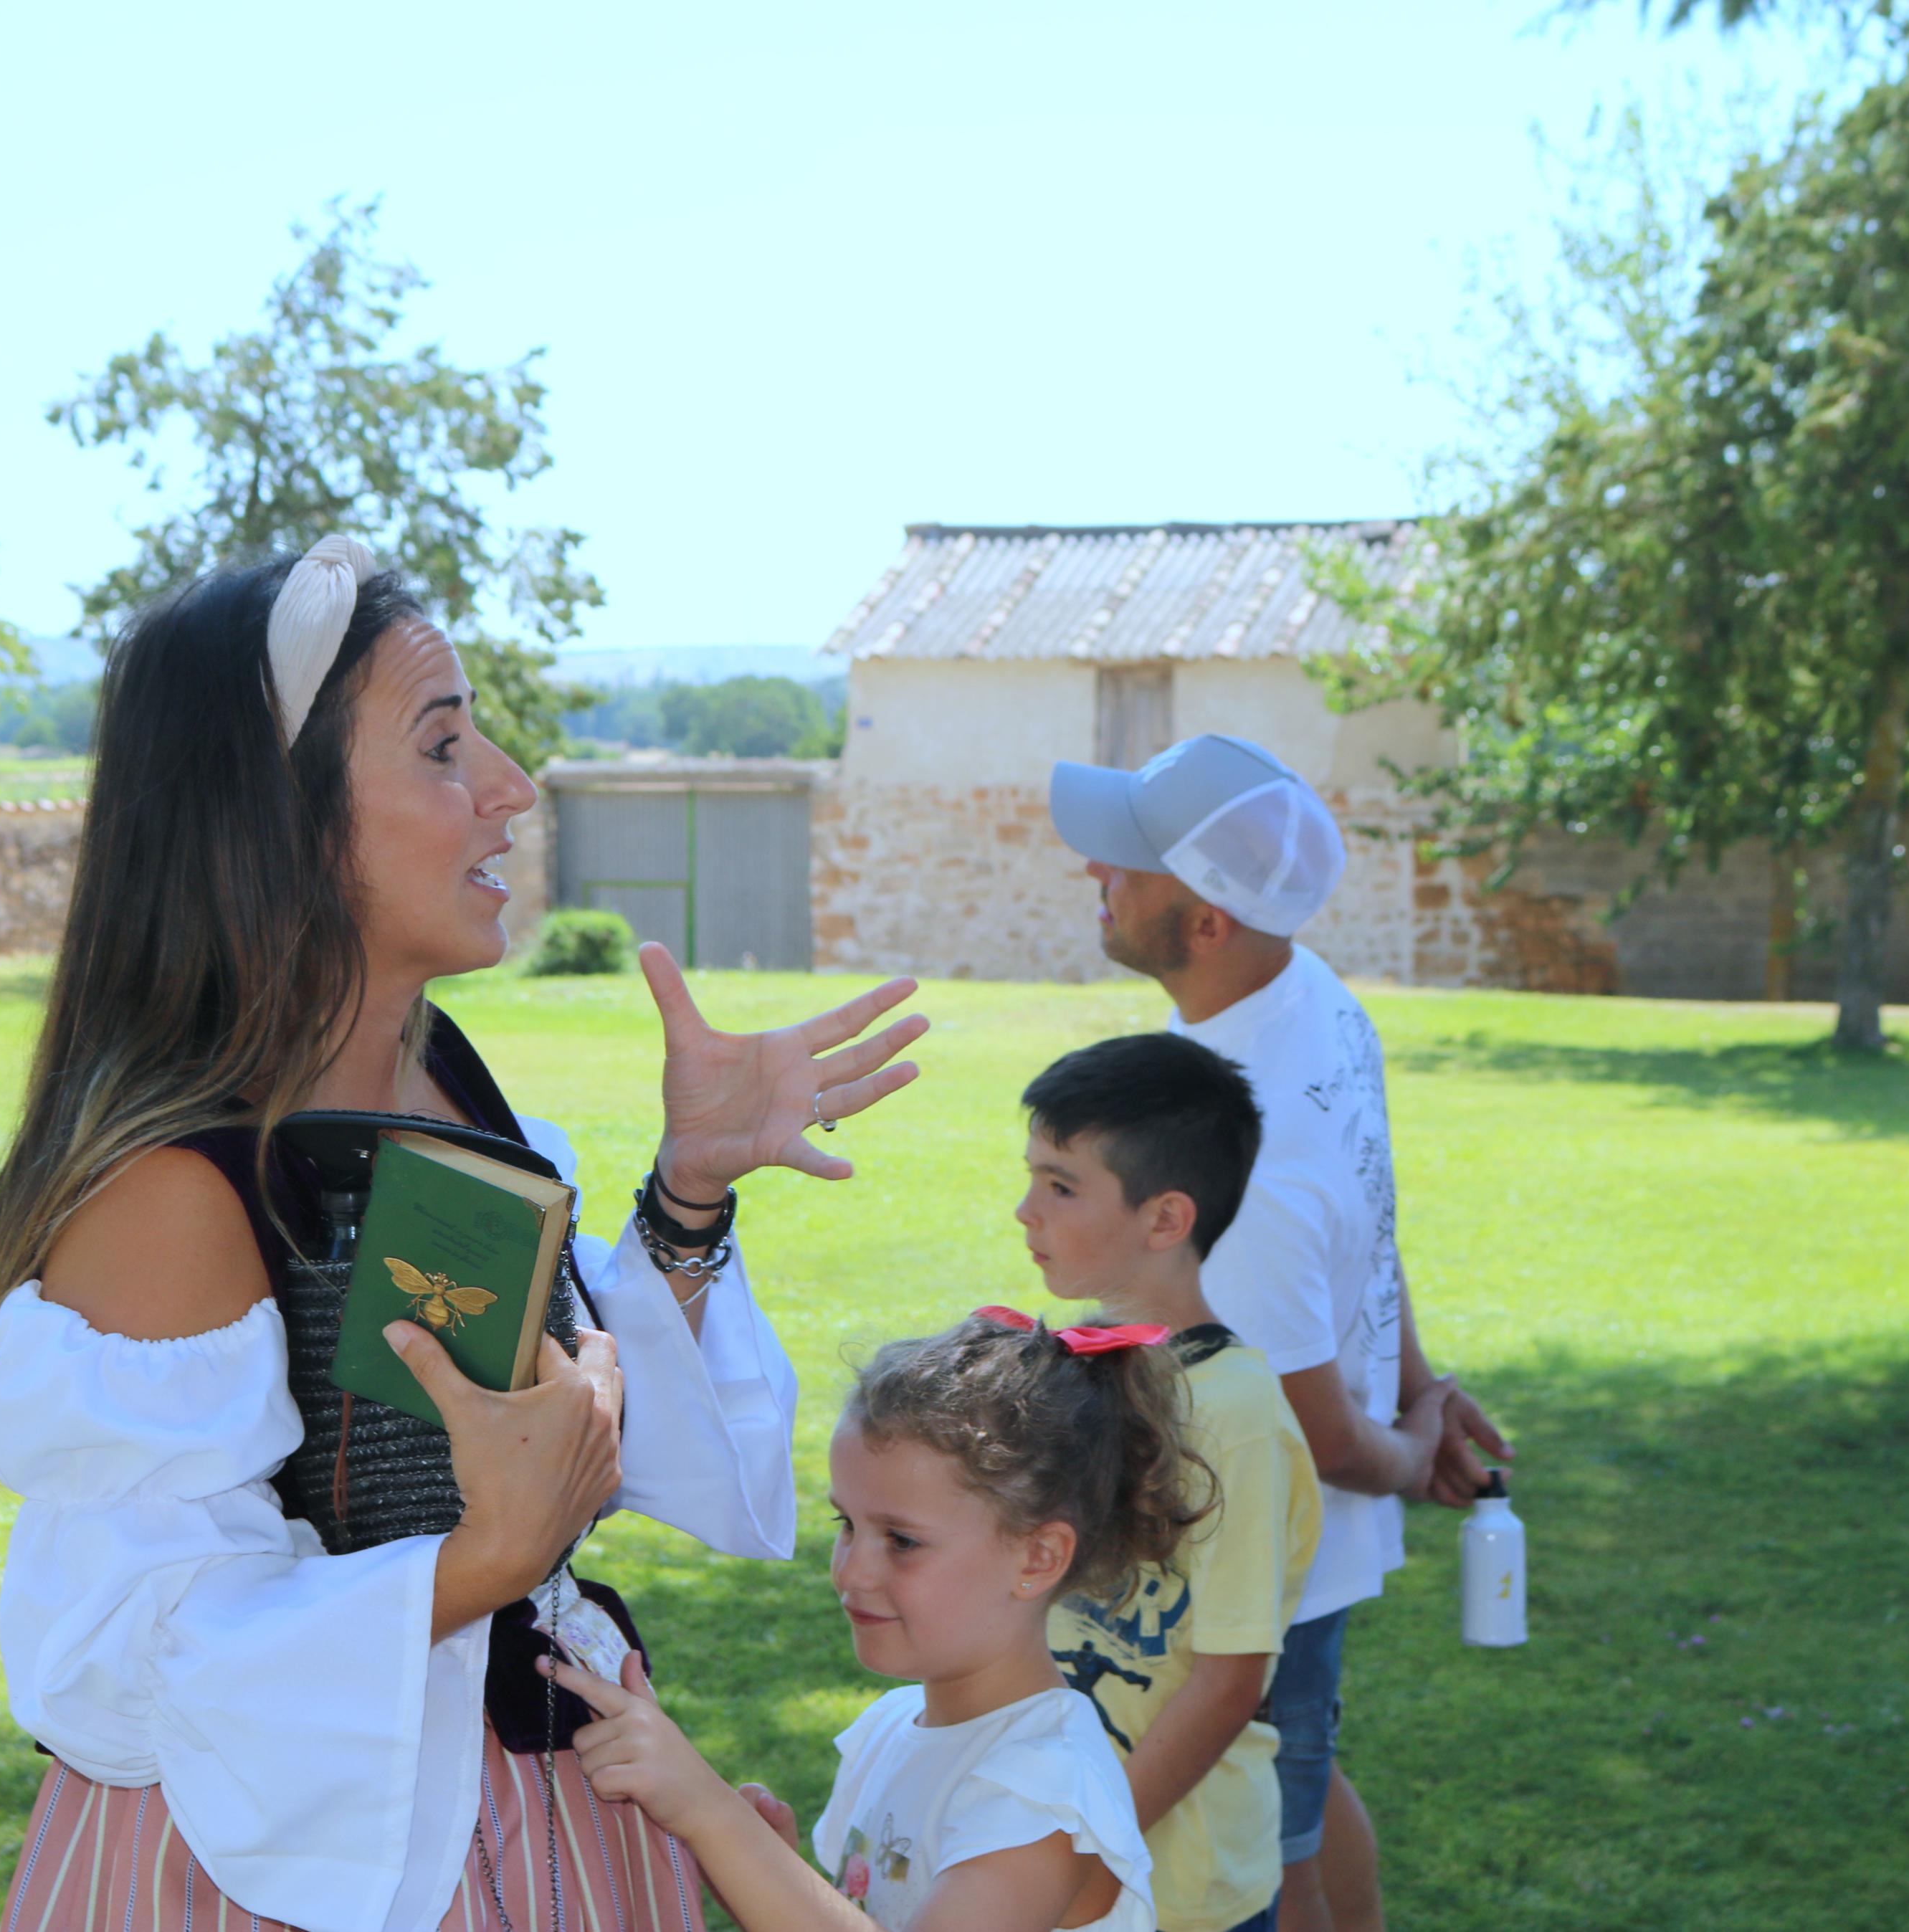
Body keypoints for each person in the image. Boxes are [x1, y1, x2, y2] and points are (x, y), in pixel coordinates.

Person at [0, 537, 929, 1932]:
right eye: (440, 745)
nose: (511, 790)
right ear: (274, 819)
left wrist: (688, 1196)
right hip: (276, 1857)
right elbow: (128, 1671)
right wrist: (482, 1559)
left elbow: (549, 1415)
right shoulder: (173, 1192)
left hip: (520, 1793)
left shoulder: (437, 1074)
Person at [1045, 733, 1511, 1932]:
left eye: (1128, 862)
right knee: (1305, 1781)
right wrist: (1428, 1390)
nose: (1095, 873)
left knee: (1268, 1854)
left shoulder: (1226, 1156)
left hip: (1258, 1563)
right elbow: (1376, 1219)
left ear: (1206, 921)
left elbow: (1316, 1434)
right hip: (1304, 1534)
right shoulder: (1316, 1003)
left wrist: (1410, 1450)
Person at [546, 1310, 1201, 1931]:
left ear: (1038, 1556)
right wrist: (764, 1867)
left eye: (902, 1541)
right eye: (846, 1525)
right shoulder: (894, 1728)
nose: (851, 1572)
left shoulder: (1044, 1795)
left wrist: (712, 1813)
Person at [1022, 1034, 1327, 1932]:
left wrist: (1091, 1847)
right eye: (1032, 1176)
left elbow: (1231, 1681)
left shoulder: (1234, 1413)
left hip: (1178, 1888)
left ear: (1164, 1220)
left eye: (1060, 1185)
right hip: (1055, 1849)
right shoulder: (1068, 1367)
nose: (1023, 1209)